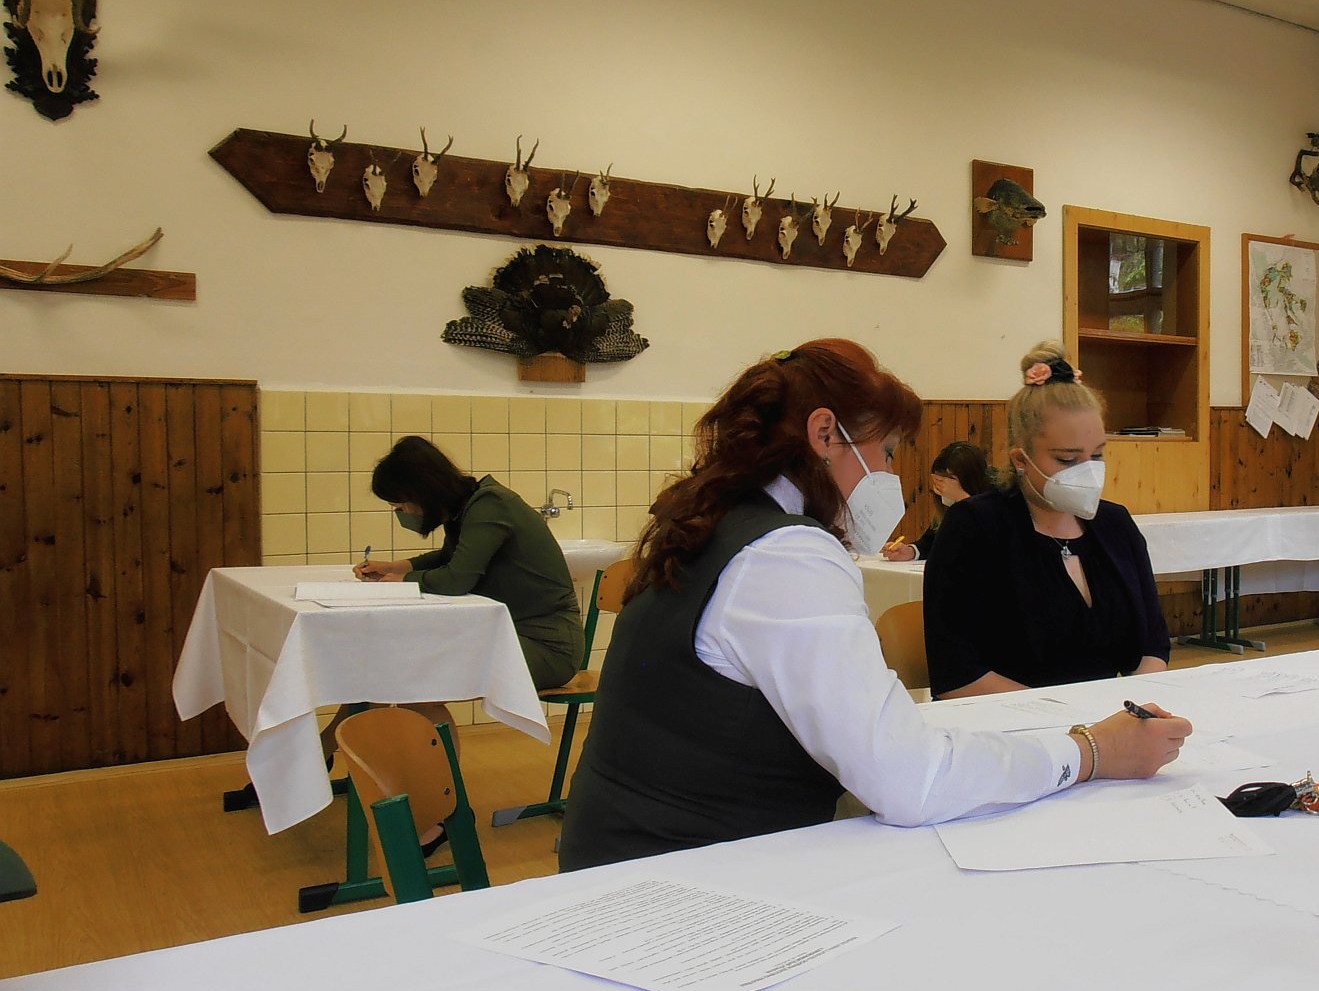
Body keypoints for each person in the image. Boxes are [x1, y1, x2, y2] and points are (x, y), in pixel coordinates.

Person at [558, 339, 1190, 869]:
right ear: (824, 434)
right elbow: (909, 779)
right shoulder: (785, 555)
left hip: (633, 849)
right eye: (886, 453)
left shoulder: (724, 522)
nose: (890, 475)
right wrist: (1090, 752)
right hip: (687, 873)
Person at [923, 343, 1172, 698]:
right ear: (1020, 460)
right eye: (1067, 460)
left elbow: (1153, 644)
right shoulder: (975, 526)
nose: (1087, 472)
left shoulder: (1115, 523)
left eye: (1097, 456)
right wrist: (1073, 718)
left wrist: (1137, 701)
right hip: (1010, 718)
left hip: (1109, 714)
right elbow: (956, 672)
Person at [354, 435, 585, 690]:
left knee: (420, 673)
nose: (404, 513)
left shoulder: (490, 505)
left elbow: (456, 579)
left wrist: (403, 581)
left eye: (401, 505)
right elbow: (450, 557)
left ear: (422, 493)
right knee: (399, 668)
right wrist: (396, 568)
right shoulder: (463, 510)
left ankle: (414, 714)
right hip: (509, 633)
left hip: (547, 646)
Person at [881, 440, 993, 561]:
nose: (940, 489)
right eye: (937, 482)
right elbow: (933, 541)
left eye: (945, 482)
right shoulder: (945, 507)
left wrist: (964, 502)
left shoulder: (996, 501)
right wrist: (912, 551)